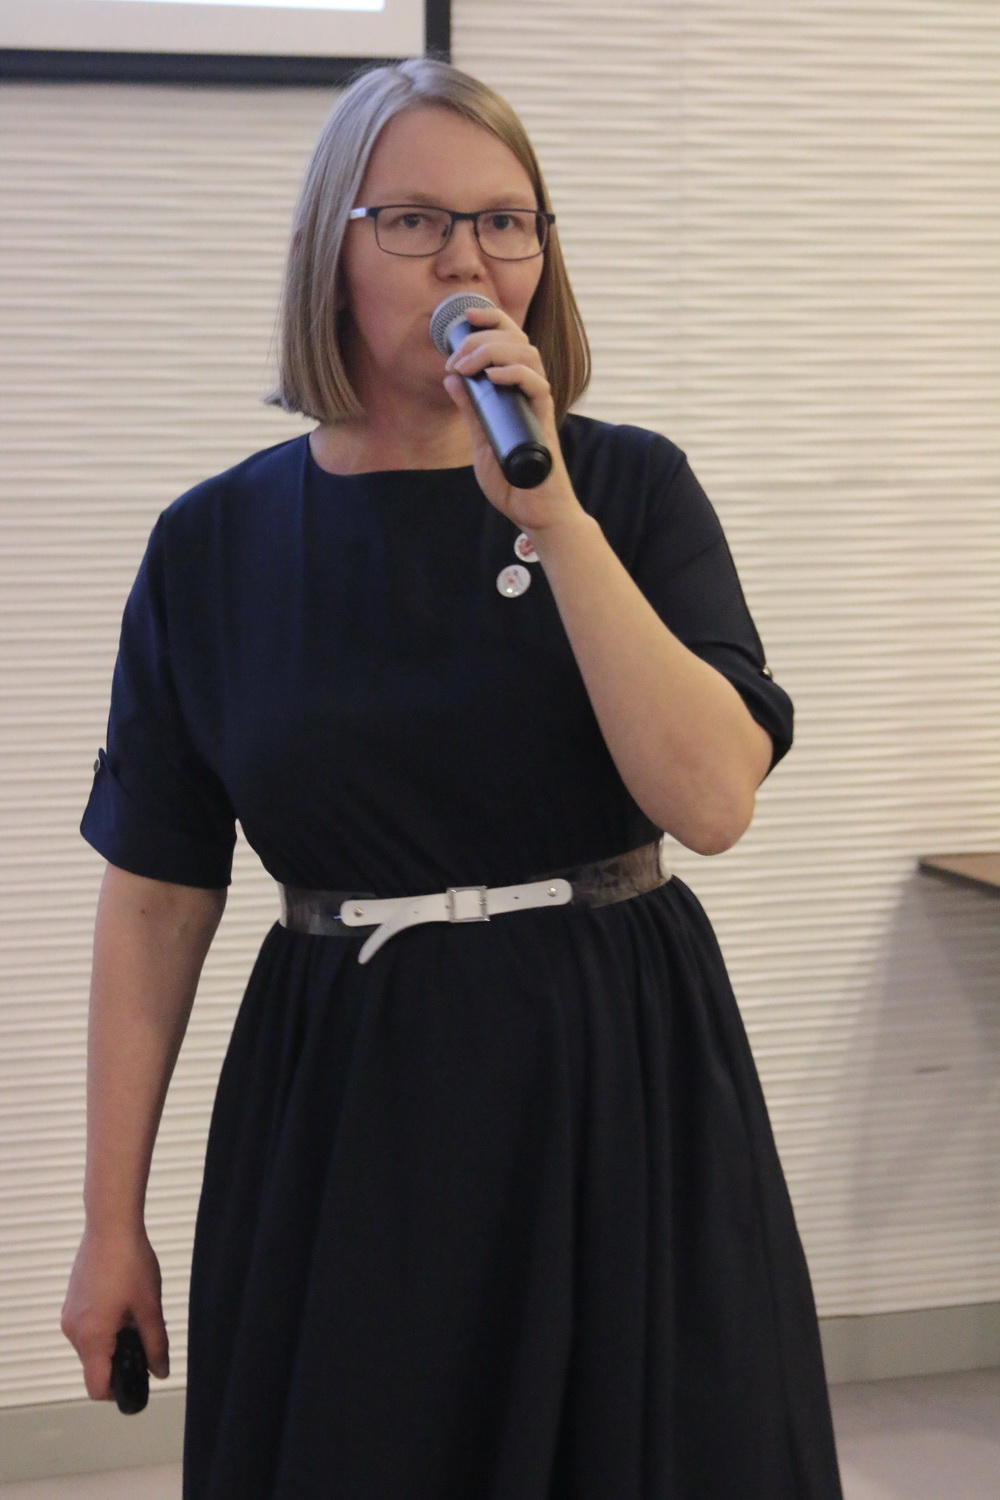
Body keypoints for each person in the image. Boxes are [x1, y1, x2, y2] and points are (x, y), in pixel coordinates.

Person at [61, 56, 844, 1500]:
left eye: (507, 222)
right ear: (333, 248)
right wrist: (111, 1220)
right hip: (349, 1093)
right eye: (416, 220)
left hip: (614, 1072)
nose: (469, 260)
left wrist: (552, 519)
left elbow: (713, 799)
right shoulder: (215, 544)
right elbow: (158, 895)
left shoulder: (629, 491)